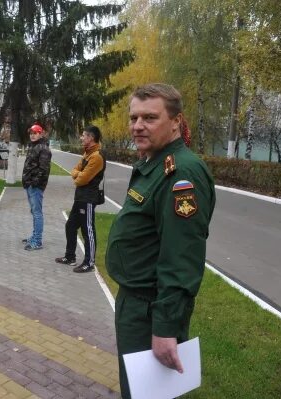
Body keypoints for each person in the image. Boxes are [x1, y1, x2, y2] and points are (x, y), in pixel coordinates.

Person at [105, 83, 215, 399]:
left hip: (150, 310)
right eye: (134, 117)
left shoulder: (182, 174)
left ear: (176, 121)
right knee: (136, 390)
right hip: (135, 304)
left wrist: (165, 328)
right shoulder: (155, 162)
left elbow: (182, 257)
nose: (138, 126)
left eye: (150, 118)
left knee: (146, 395)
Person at [55, 125, 106, 273]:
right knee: (70, 226)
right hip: (80, 197)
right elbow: (74, 171)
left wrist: (78, 176)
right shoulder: (87, 154)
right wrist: (78, 174)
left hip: (88, 198)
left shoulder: (96, 156)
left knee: (87, 229)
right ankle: (70, 257)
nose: (81, 138)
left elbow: (81, 179)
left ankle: (89, 263)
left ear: (91, 138)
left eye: (83, 135)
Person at [21, 124, 52, 250]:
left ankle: (37, 241)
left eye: (35, 133)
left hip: (36, 186)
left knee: (37, 213)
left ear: (41, 134)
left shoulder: (43, 149)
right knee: (34, 212)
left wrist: (34, 182)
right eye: (31, 133)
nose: (32, 135)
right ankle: (34, 236)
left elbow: (43, 170)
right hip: (30, 184)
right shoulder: (33, 146)